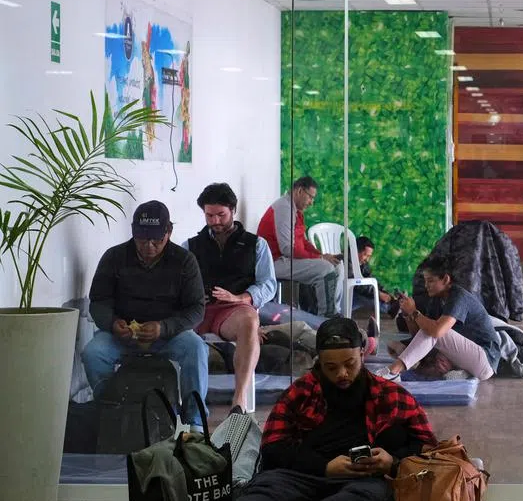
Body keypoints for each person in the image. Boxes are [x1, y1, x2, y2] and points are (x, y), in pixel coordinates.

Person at [157, 317, 436, 501]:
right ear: (319, 362)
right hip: (303, 477)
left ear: (363, 355)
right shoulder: (300, 393)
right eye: (331, 367)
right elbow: (274, 449)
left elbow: (429, 449)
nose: (341, 374)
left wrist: (392, 461)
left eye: (349, 364)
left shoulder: (392, 395)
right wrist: (325, 467)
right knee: (269, 489)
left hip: (365, 481)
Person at [82, 200, 209, 430]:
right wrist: (112, 323)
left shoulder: (184, 261)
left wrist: (164, 327)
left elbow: (196, 309)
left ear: (168, 233)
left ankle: (196, 422)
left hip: (169, 335)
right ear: (133, 233)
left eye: (156, 240)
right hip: (122, 336)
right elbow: (98, 301)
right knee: (93, 353)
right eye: (142, 240)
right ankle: (110, 408)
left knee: (196, 348)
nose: (149, 246)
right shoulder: (114, 257)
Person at [184, 183, 277, 412]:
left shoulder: (256, 245)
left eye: (221, 215)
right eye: (209, 215)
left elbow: (268, 284)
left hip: (233, 311)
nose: (215, 221)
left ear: (233, 210)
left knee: (249, 321)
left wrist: (241, 298)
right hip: (198, 309)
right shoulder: (190, 246)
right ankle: (186, 403)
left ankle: (239, 397)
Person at [384, 255, 499, 382]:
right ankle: (462, 372)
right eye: (425, 281)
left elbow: (436, 332)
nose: (426, 285)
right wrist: (408, 314)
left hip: (484, 360)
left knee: (435, 331)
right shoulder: (436, 299)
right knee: (394, 344)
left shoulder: (459, 297)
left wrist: (414, 312)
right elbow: (420, 335)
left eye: (430, 281)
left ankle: (393, 371)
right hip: (463, 356)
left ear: (445, 279)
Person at [257, 176, 342, 318]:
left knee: (337, 265)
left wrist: (322, 255)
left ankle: (331, 312)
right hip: (274, 262)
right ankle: (327, 319)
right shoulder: (284, 208)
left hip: (285, 259)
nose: (311, 202)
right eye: (310, 197)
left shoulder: (293, 209)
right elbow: (288, 249)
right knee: (326, 269)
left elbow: (302, 242)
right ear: (300, 191)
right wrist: (320, 258)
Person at [352, 235, 397, 317]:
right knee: (366, 295)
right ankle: (391, 308)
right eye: (365, 255)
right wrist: (378, 294)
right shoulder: (346, 262)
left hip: (359, 290)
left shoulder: (362, 262)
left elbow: (371, 279)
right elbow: (357, 286)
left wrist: (384, 292)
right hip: (350, 295)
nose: (367, 259)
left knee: (374, 293)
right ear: (356, 251)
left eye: (369, 256)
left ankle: (395, 302)